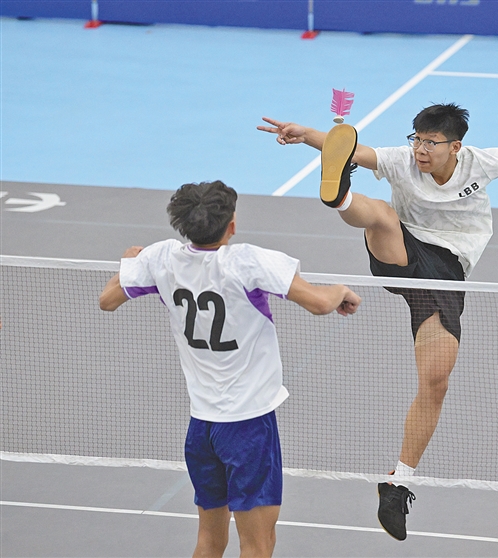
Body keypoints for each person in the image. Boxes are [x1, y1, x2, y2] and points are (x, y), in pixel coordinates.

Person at [257, 86, 498, 540]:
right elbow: (353, 148)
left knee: (436, 380)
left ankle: (397, 483)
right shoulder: (402, 160)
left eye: (430, 142)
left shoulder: (483, 162)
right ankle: (339, 196)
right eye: (416, 139)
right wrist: (306, 135)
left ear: (455, 146)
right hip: (402, 251)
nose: (420, 150)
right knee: (381, 214)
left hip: (445, 276)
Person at [99, 180, 361, 558]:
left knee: (209, 541)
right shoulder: (246, 262)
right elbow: (320, 303)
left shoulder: (162, 259)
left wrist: (129, 263)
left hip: (202, 427)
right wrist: (341, 290)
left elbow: (107, 300)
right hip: (248, 427)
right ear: (232, 226)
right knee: (258, 544)